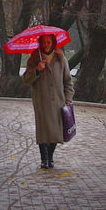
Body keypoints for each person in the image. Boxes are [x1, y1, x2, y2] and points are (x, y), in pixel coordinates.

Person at [22, 33, 74, 169]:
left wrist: (68, 98)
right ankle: (44, 159)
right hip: (41, 101)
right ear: (40, 43)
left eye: (49, 42)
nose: (46, 45)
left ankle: (50, 157)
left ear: (53, 43)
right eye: (44, 42)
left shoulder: (61, 58)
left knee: (55, 132)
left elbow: (68, 81)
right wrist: (37, 70)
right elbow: (26, 79)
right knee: (43, 131)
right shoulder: (34, 58)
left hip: (58, 100)